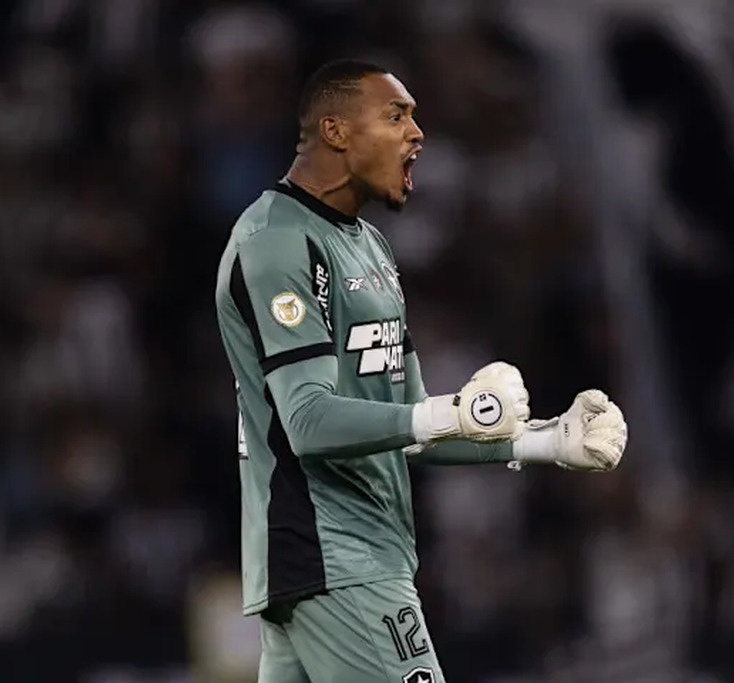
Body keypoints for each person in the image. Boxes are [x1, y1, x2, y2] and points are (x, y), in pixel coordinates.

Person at [214, 59, 629, 683]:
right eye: (395, 116)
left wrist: (541, 440)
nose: (418, 134)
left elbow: (411, 430)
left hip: (349, 559)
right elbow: (306, 421)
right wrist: (450, 412)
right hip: (335, 557)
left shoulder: (371, 247)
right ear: (335, 131)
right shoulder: (276, 240)